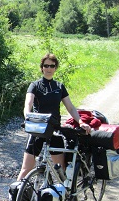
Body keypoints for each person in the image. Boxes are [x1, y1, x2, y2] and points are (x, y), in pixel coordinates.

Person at [16, 53, 91, 181]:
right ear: (42, 68)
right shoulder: (35, 85)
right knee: (26, 169)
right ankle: (16, 197)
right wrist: (27, 116)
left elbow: (71, 108)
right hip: (38, 129)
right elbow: (28, 103)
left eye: (52, 66)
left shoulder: (59, 87)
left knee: (60, 168)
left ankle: (65, 195)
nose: (49, 68)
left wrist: (80, 122)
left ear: (55, 68)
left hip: (55, 130)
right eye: (46, 66)